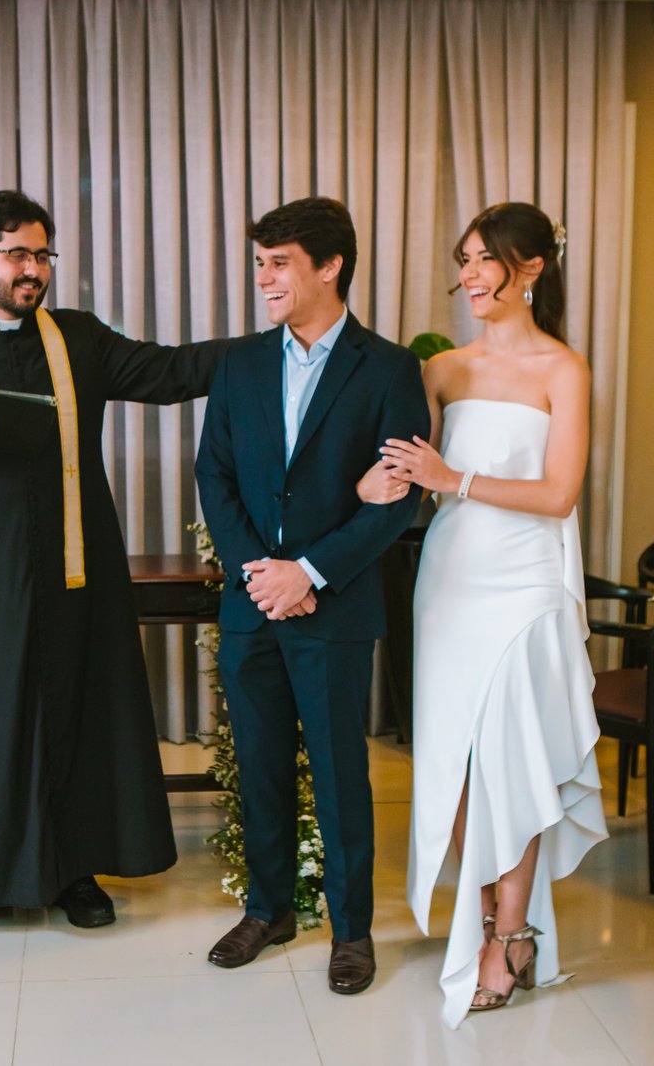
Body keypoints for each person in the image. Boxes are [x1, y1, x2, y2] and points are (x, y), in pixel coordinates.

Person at [0, 190, 230, 941]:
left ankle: (75, 870)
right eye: (18, 255)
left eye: (43, 254)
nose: (34, 269)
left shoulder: (80, 339)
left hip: (75, 568)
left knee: (75, 712)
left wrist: (275, 344)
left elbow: (171, 373)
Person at [362, 202, 606, 1025]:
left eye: (483, 259)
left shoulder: (564, 370)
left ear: (531, 267)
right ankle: (483, 918)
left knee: (515, 759)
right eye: (462, 260)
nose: (468, 275)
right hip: (451, 582)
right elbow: (399, 475)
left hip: (526, 584)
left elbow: (558, 493)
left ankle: (509, 933)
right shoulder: (440, 370)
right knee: (458, 760)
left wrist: (452, 479)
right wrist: (371, 483)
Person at [195, 196, 428, 995]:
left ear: (330, 266)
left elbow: (398, 498)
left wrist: (310, 572)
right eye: (259, 263)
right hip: (252, 603)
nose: (264, 278)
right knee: (258, 766)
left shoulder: (389, 368)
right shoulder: (239, 363)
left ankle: (351, 929)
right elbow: (214, 474)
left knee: (338, 773)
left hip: (336, 607)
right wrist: (261, 572)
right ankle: (268, 910)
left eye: (280, 263)